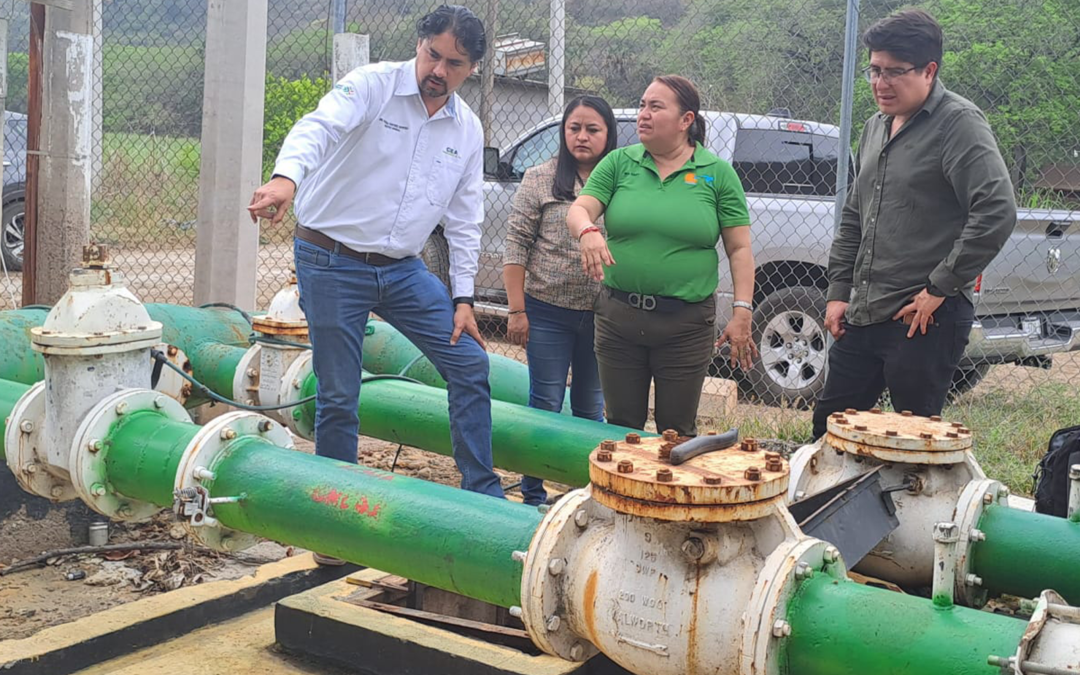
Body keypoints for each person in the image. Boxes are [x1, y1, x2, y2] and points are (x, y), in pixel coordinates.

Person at [249, 6, 505, 525]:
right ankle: (335, 519)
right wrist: (285, 178)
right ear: (419, 45)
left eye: (454, 64)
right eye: (433, 55)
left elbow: (465, 219)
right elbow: (317, 128)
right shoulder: (372, 86)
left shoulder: (467, 129)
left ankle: (484, 497)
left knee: (469, 363)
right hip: (331, 259)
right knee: (339, 394)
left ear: (473, 69)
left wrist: (463, 299)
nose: (439, 70)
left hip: (403, 270)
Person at [812, 9, 1016, 439]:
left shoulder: (958, 124)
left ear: (929, 70)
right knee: (830, 431)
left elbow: (996, 210)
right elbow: (855, 216)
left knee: (913, 441)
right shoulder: (874, 127)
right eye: (874, 70)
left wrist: (939, 287)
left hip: (923, 316)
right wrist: (838, 292)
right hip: (865, 310)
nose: (880, 83)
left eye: (894, 72)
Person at [566, 75, 757, 437]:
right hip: (619, 319)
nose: (643, 114)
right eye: (642, 105)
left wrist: (742, 310)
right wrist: (587, 231)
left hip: (685, 325)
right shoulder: (619, 163)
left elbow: (739, 248)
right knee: (621, 429)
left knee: (677, 430)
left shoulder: (717, 174)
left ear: (686, 120)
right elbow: (580, 209)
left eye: (655, 107)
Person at [502, 95, 617, 506]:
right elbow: (516, 244)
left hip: (603, 315)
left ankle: (586, 494)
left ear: (609, 135)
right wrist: (517, 310)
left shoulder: (622, 181)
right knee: (545, 402)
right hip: (547, 311)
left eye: (592, 129)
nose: (582, 136)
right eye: (574, 128)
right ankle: (533, 493)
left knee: (591, 408)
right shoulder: (540, 178)